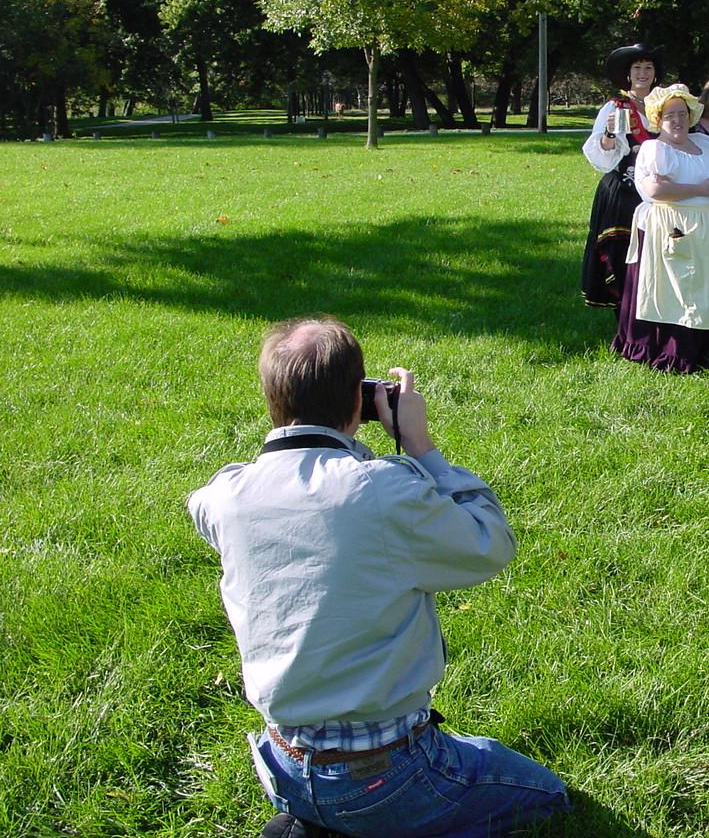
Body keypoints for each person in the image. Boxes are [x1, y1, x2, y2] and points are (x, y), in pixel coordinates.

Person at [188, 317, 569, 838]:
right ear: (360, 399)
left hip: (282, 765)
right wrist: (419, 444)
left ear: (272, 399)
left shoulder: (225, 496)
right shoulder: (384, 491)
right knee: (545, 795)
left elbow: (217, 505)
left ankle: (317, 821)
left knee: (459, 761)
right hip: (389, 773)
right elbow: (490, 542)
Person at [612, 84, 709, 373]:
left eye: (682, 114)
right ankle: (674, 349)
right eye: (669, 115)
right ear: (658, 119)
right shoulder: (655, 149)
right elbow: (656, 189)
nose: (677, 120)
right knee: (681, 291)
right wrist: (700, 189)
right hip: (674, 229)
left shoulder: (707, 144)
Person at [580, 42, 661, 310]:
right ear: (628, 73)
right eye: (637, 67)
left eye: (648, 67)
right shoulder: (614, 107)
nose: (643, 73)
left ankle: (649, 313)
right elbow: (601, 157)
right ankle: (624, 314)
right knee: (622, 255)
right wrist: (610, 134)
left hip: (658, 191)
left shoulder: (664, 106)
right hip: (623, 192)